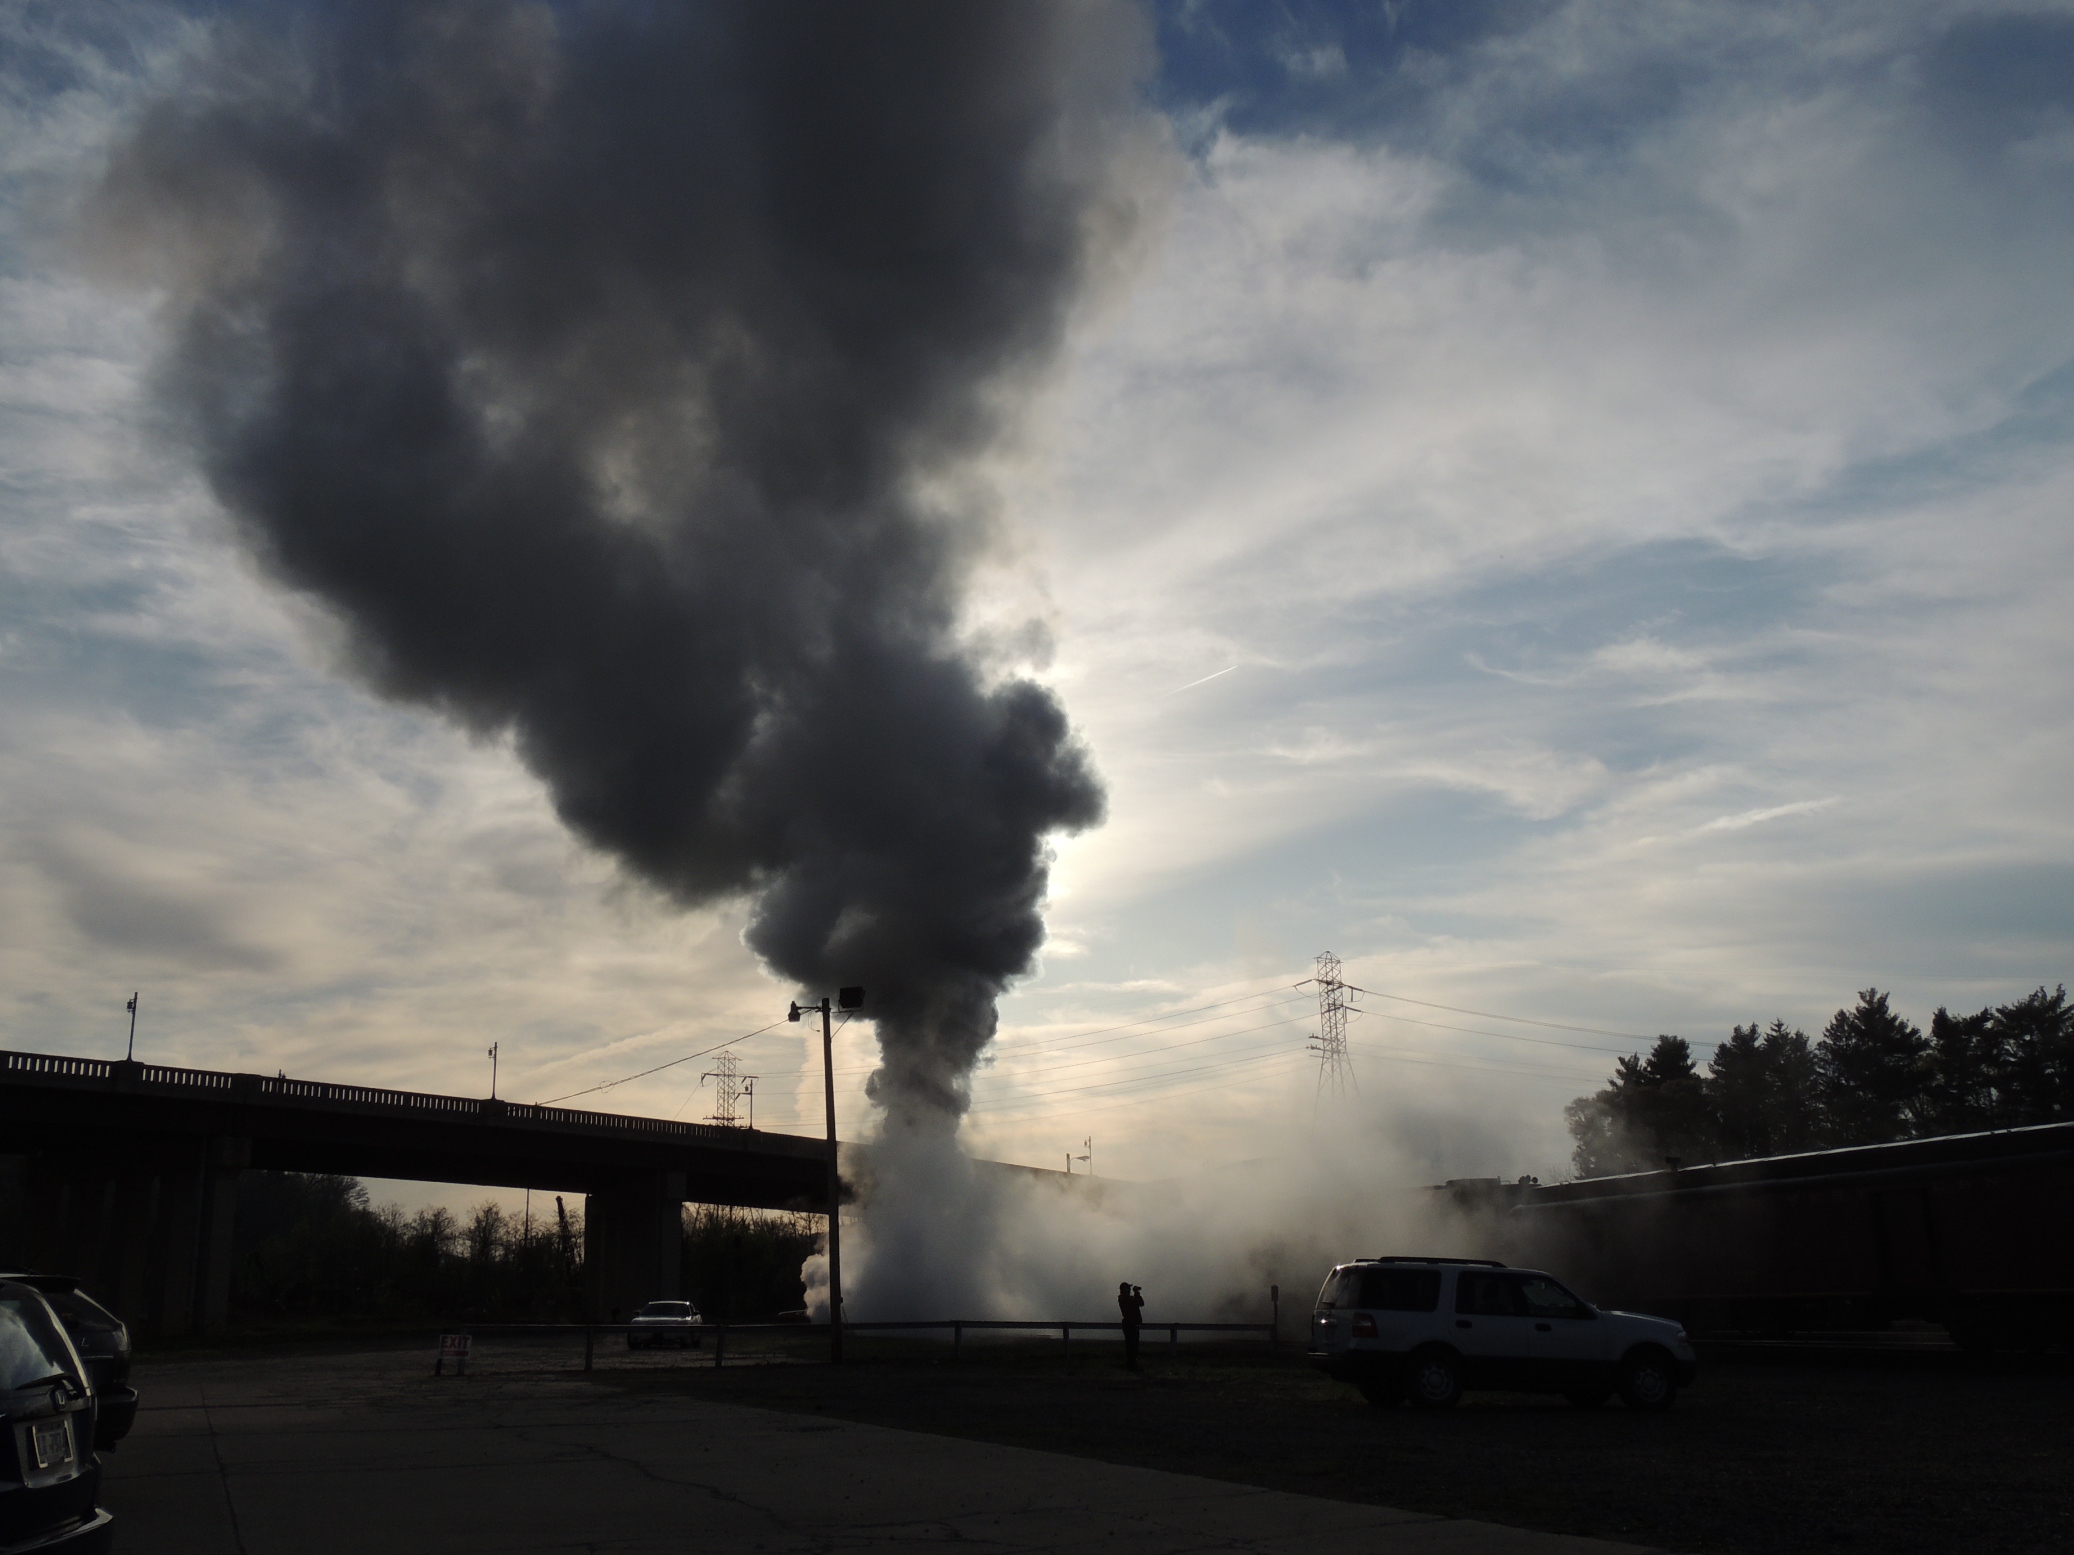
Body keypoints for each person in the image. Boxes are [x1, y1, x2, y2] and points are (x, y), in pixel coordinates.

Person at [1118, 1281, 1144, 1370]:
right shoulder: (1124, 1299)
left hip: (1132, 1325)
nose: (1129, 1290)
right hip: (1130, 1325)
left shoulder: (1127, 1298)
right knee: (1131, 1346)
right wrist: (1136, 1293)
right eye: (1128, 1288)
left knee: (1133, 1346)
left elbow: (1141, 1303)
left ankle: (1132, 1364)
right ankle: (1132, 1365)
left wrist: (1137, 1294)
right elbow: (1136, 1304)